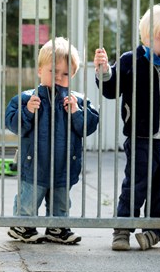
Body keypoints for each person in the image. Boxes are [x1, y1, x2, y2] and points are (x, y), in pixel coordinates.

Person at [94, 4, 160, 251]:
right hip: (141, 137)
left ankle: (153, 232)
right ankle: (122, 230)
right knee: (135, 184)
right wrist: (103, 72)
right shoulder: (129, 61)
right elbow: (111, 90)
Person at [6, 37, 99, 245]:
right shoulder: (26, 98)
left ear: (72, 74)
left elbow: (89, 126)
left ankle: (57, 227)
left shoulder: (78, 101)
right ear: (40, 70)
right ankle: (22, 224)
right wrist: (28, 111)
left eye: (65, 73)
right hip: (35, 162)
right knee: (29, 197)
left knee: (61, 199)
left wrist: (76, 112)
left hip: (64, 163)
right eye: (53, 71)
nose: (58, 77)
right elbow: (12, 123)